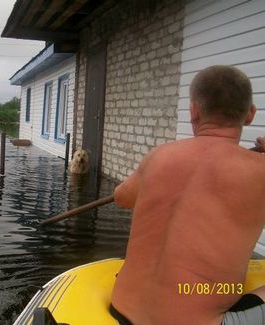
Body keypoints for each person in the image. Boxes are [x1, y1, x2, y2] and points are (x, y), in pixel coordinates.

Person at [110, 65, 265, 325]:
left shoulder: (159, 156)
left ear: (194, 111)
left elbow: (121, 198)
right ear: (250, 114)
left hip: (120, 309)